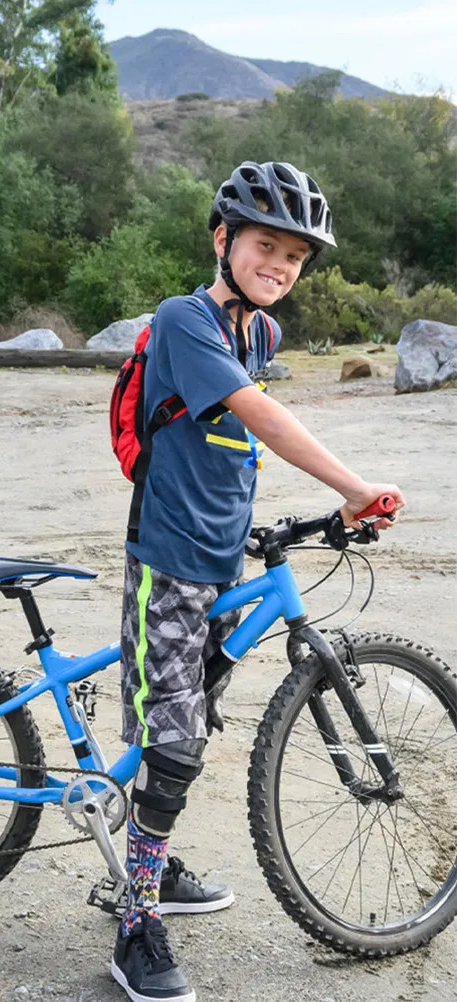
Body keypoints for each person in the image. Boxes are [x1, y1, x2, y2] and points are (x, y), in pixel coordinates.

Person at [111, 160, 406, 1002]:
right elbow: (258, 418)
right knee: (172, 741)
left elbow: (225, 453)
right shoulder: (184, 320)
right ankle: (134, 919)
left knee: (190, 722)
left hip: (220, 555)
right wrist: (349, 485)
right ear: (222, 240)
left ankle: (149, 864)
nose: (279, 266)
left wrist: (283, 525)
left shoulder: (261, 334)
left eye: (294, 257)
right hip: (167, 562)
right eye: (264, 246)